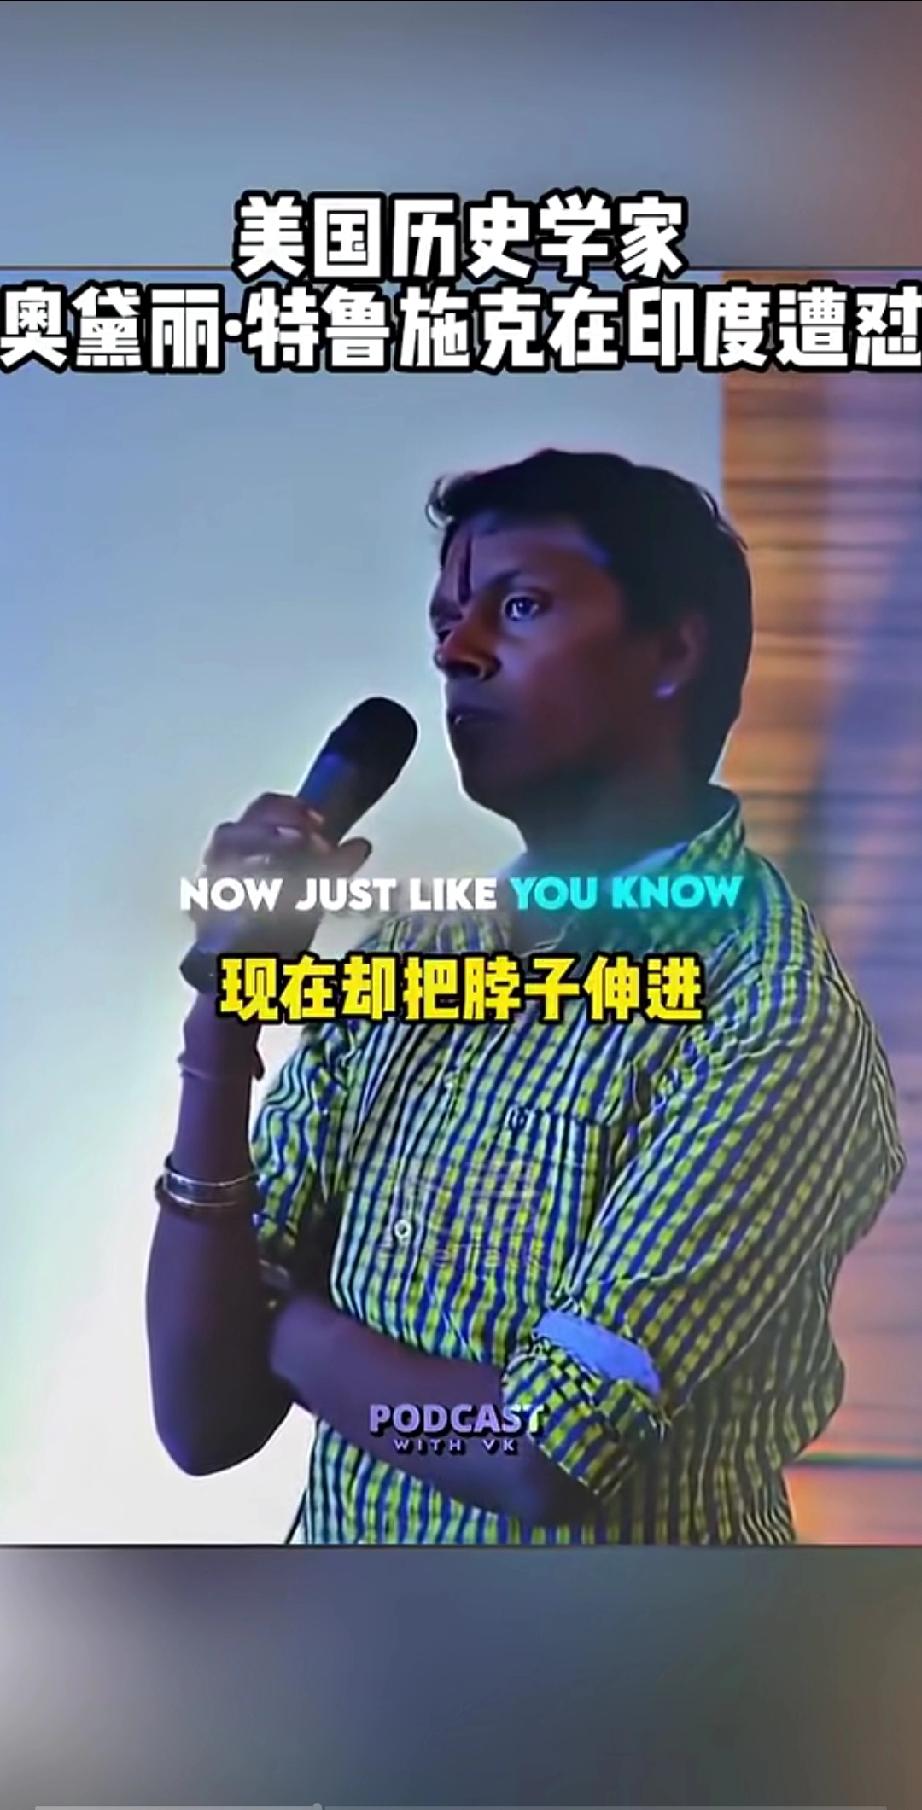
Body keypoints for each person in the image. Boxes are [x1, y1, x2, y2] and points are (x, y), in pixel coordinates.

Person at [146, 448, 905, 1545]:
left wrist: (283, 1325)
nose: (454, 651)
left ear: (672, 651)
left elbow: (535, 1453)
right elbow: (201, 1416)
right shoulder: (414, 958)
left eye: (519, 605)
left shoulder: (771, 1018)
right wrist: (222, 1021)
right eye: (445, 620)